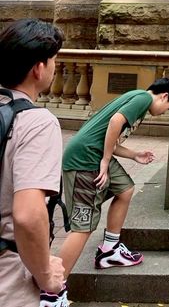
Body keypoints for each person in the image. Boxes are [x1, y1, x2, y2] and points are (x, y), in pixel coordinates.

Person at [49, 77, 169, 301]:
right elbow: (115, 122)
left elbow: (109, 136)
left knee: (125, 189)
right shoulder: (142, 97)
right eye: (168, 108)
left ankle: (110, 250)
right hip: (85, 159)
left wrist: (133, 155)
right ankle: (52, 290)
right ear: (164, 96)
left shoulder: (137, 101)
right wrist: (105, 161)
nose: (164, 113)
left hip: (92, 153)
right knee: (84, 226)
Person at [0, 19, 67, 307]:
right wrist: (46, 276)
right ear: (38, 68)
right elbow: (28, 216)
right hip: (8, 277)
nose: (54, 68)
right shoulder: (37, 123)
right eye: (53, 61)